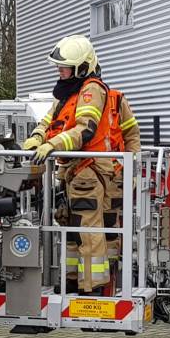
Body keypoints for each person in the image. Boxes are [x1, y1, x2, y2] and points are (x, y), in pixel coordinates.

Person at [23, 35, 114, 294]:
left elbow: (85, 129)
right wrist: (37, 137)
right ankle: (73, 279)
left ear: (82, 68)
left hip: (89, 168)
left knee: (87, 228)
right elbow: (49, 121)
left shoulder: (91, 90)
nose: (59, 71)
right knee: (72, 226)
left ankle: (92, 285)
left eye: (64, 67)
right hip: (72, 170)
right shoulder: (67, 91)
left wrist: (52, 145)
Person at [103, 90, 141, 292]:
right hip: (81, 177)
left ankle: (108, 279)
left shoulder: (116, 100)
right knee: (77, 230)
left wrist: (132, 171)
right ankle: (79, 279)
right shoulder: (72, 98)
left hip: (112, 176)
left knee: (110, 227)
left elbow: (131, 135)